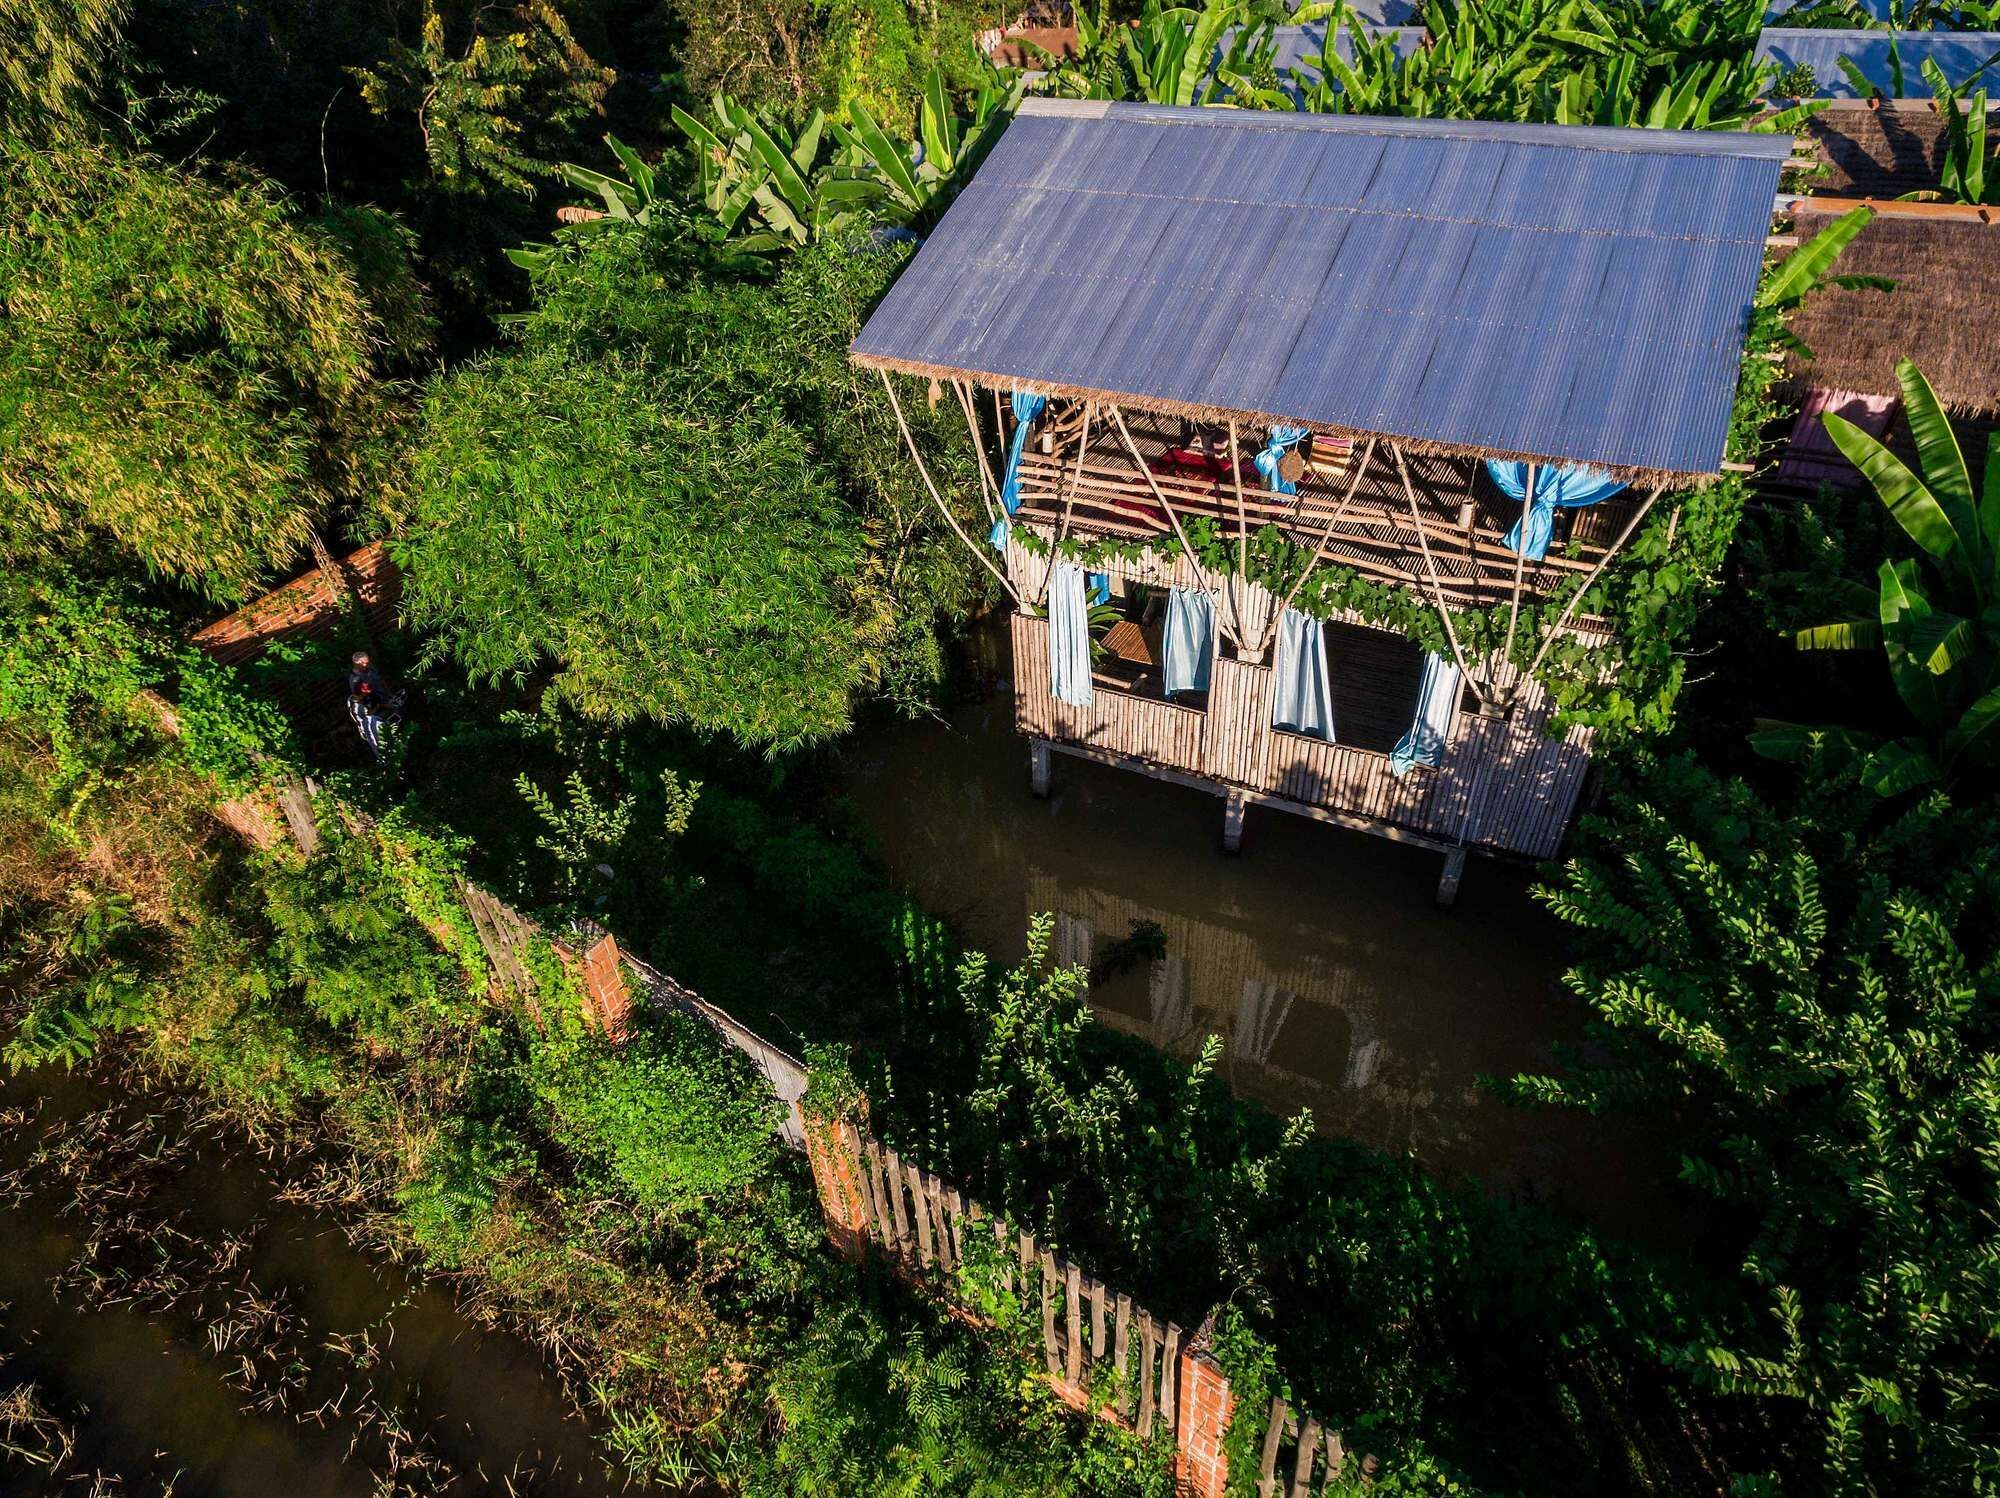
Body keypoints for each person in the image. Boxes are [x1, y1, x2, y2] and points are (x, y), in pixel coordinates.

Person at [347, 651, 392, 758]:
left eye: (368, 662)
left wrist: (389, 694)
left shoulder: (371, 669)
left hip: (385, 702)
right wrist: (365, 693)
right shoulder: (355, 679)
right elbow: (358, 697)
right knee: (380, 734)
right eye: (364, 663)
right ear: (356, 663)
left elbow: (380, 680)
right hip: (374, 708)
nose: (367, 665)